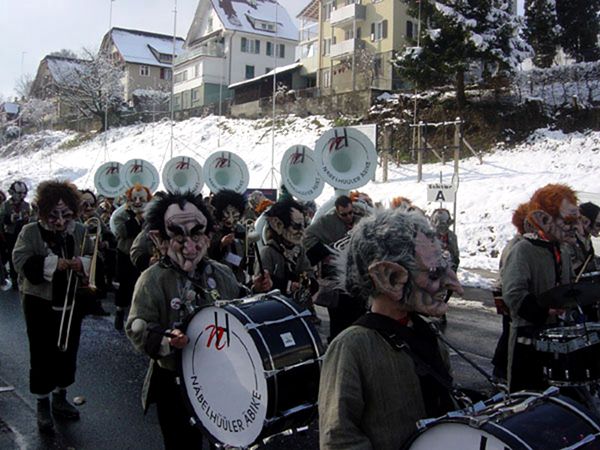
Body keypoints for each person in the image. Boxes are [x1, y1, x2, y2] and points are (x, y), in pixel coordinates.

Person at [125, 192, 271, 450]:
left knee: (226, 439)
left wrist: (256, 292)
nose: (190, 247)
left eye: (197, 235)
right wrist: (168, 339)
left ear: (208, 236)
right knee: (182, 443)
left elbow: (236, 305)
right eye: (178, 237)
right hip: (174, 380)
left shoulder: (221, 272)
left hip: (220, 375)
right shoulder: (152, 279)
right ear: (159, 239)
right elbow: (137, 326)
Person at [318, 209, 464, 450]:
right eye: (433, 273)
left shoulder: (426, 333)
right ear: (390, 278)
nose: (454, 286)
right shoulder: (352, 347)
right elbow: (339, 438)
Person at [12, 181, 92, 433]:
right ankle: (42, 402)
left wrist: (82, 263)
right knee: (41, 351)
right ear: (43, 212)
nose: (60, 222)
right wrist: (53, 263)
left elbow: (94, 256)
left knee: (68, 350)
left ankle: (60, 396)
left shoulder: (79, 231)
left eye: (66, 215)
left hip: (71, 300)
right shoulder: (29, 231)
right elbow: (19, 260)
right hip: (39, 300)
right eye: (53, 216)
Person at [502, 184, 578, 392]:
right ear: (544, 219)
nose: (573, 227)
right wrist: (543, 311)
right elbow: (513, 293)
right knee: (528, 395)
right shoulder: (524, 249)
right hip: (528, 339)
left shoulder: (562, 250)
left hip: (555, 336)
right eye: (567, 221)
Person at [304, 195, 365, 340]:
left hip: (356, 276)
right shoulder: (326, 221)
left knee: (358, 314)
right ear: (337, 211)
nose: (348, 217)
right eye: (344, 214)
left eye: (350, 213)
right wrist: (325, 254)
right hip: (336, 277)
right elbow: (307, 236)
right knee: (338, 317)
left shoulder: (360, 219)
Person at [258, 199, 318, 319]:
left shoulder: (300, 251)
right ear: (278, 225)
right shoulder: (267, 252)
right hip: (274, 311)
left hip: (298, 310)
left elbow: (309, 274)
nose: (302, 232)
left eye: (304, 226)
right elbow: (262, 285)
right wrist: (288, 285)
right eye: (296, 226)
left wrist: (308, 283)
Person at [111, 184, 151, 330]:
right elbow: (121, 231)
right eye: (135, 199)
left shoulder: (151, 215)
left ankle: (137, 315)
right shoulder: (121, 214)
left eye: (142, 199)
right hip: (125, 254)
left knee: (141, 285)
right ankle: (119, 311)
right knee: (123, 285)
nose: (138, 202)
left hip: (142, 255)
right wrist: (136, 220)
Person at [208, 189, 248, 284]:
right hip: (219, 279)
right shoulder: (212, 230)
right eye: (226, 213)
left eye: (234, 213)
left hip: (239, 278)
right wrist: (221, 245)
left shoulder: (241, 229)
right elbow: (208, 255)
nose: (230, 218)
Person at [0, 181, 31, 287]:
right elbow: (1, 219)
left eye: (24, 193)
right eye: (19, 193)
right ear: (12, 193)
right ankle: (14, 278)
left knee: (23, 255)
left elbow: (29, 218)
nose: (22, 196)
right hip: (9, 235)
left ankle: (21, 276)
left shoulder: (26, 205)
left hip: (22, 234)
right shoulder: (5, 205)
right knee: (11, 256)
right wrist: (10, 219)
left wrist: (27, 218)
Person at [570, 202, 600, 275]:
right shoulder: (571, 239)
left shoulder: (586, 238)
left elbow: (591, 258)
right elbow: (568, 267)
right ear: (586, 221)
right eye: (598, 224)